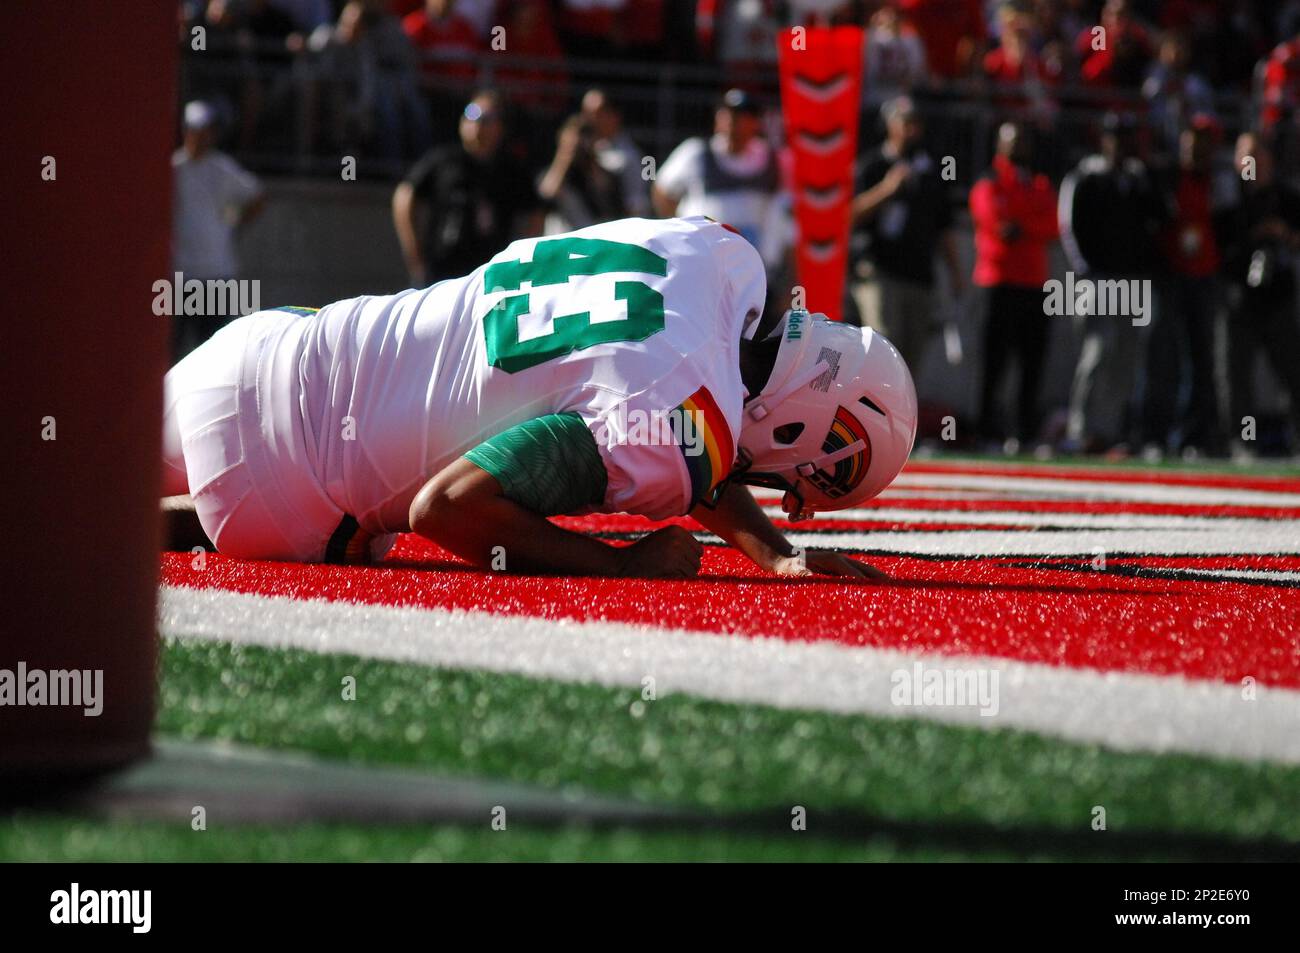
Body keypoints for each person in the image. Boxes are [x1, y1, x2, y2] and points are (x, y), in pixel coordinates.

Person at [160, 216, 917, 580]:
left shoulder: (720, 254)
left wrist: (778, 556)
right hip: (282, 490)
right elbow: (447, 508)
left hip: (270, 344)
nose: (777, 491)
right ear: (798, 431)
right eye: (792, 483)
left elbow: (691, 409)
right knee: (371, 532)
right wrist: (618, 566)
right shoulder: (687, 424)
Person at [1058, 112, 1164, 454]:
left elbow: (1161, 218)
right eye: (1116, 138)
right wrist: (1085, 271)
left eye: (1127, 139)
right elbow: (1069, 227)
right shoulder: (1086, 177)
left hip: (1131, 281)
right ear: (1104, 140)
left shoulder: (1136, 179)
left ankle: (1112, 431)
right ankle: (1081, 428)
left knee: (1127, 359)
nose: (1121, 146)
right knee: (1097, 353)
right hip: (1099, 280)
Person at [848, 96, 965, 372]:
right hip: (879, 272)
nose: (911, 130)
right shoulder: (872, 165)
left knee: (910, 364)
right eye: (905, 122)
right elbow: (849, 216)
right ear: (890, 125)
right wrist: (886, 190)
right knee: (883, 350)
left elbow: (943, 225)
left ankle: (901, 415)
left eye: (915, 123)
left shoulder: (930, 171)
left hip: (920, 276)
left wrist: (955, 272)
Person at [1141, 114, 1233, 457]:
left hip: (1204, 278)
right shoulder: (1165, 178)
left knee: (1201, 360)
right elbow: (1150, 220)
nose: (1196, 153)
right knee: (1163, 358)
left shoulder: (1218, 183)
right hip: (1170, 277)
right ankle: (1154, 434)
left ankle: (1193, 436)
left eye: (1202, 147)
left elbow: (1227, 227)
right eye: (1191, 146)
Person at [970, 122, 1058, 450]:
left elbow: (1052, 224)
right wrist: (1027, 223)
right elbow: (996, 222)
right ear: (999, 145)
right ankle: (986, 430)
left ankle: (1025, 433)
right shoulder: (989, 181)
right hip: (999, 282)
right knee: (994, 362)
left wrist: (1023, 224)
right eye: (1013, 140)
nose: (1019, 147)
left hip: (1034, 284)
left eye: (1023, 140)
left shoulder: (1039, 183)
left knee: (1032, 363)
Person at [392, 90, 541, 285]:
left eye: (487, 118)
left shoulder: (511, 170)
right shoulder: (444, 160)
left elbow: (536, 213)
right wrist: (415, 256)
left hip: (490, 277)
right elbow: (405, 195)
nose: (477, 124)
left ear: (501, 126)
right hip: (442, 273)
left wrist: (518, 263)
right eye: (471, 114)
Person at [1221, 133, 1300, 457]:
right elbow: (1220, 245)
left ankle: (1297, 438)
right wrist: (1253, 236)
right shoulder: (1230, 199)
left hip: (1277, 296)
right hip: (1239, 297)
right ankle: (1244, 440)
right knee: (1238, 376)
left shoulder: (1285, 198)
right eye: (1247, 157)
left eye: (1259, 156)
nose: (1253, 164)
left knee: (1292, 372)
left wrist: (1282, 233)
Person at [171, 100, 266, 359]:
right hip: (181, 277)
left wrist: (237, 224)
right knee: (174, 352)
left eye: (207, 130)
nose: (202, 137)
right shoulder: (173, 170)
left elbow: (257, 195)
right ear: (185, 131)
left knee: (215, 353)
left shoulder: (223, 168)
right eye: (196, 130)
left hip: (217, 277)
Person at [652, 89, 782, 269]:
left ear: (755, 122)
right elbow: (663, 190)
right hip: (703, 261)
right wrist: (679, 232)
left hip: (753, 264)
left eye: (742, 115)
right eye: (727, 113)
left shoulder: (773, 159)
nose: (733, 121)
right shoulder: (695, 152)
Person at [537, 114, 628, 234]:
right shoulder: (554, 174)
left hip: (593, 239)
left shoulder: (603, 172)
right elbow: (547, 194)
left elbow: (608, 200)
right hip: (563, 240)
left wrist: (592, 159)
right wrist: (565, 156)